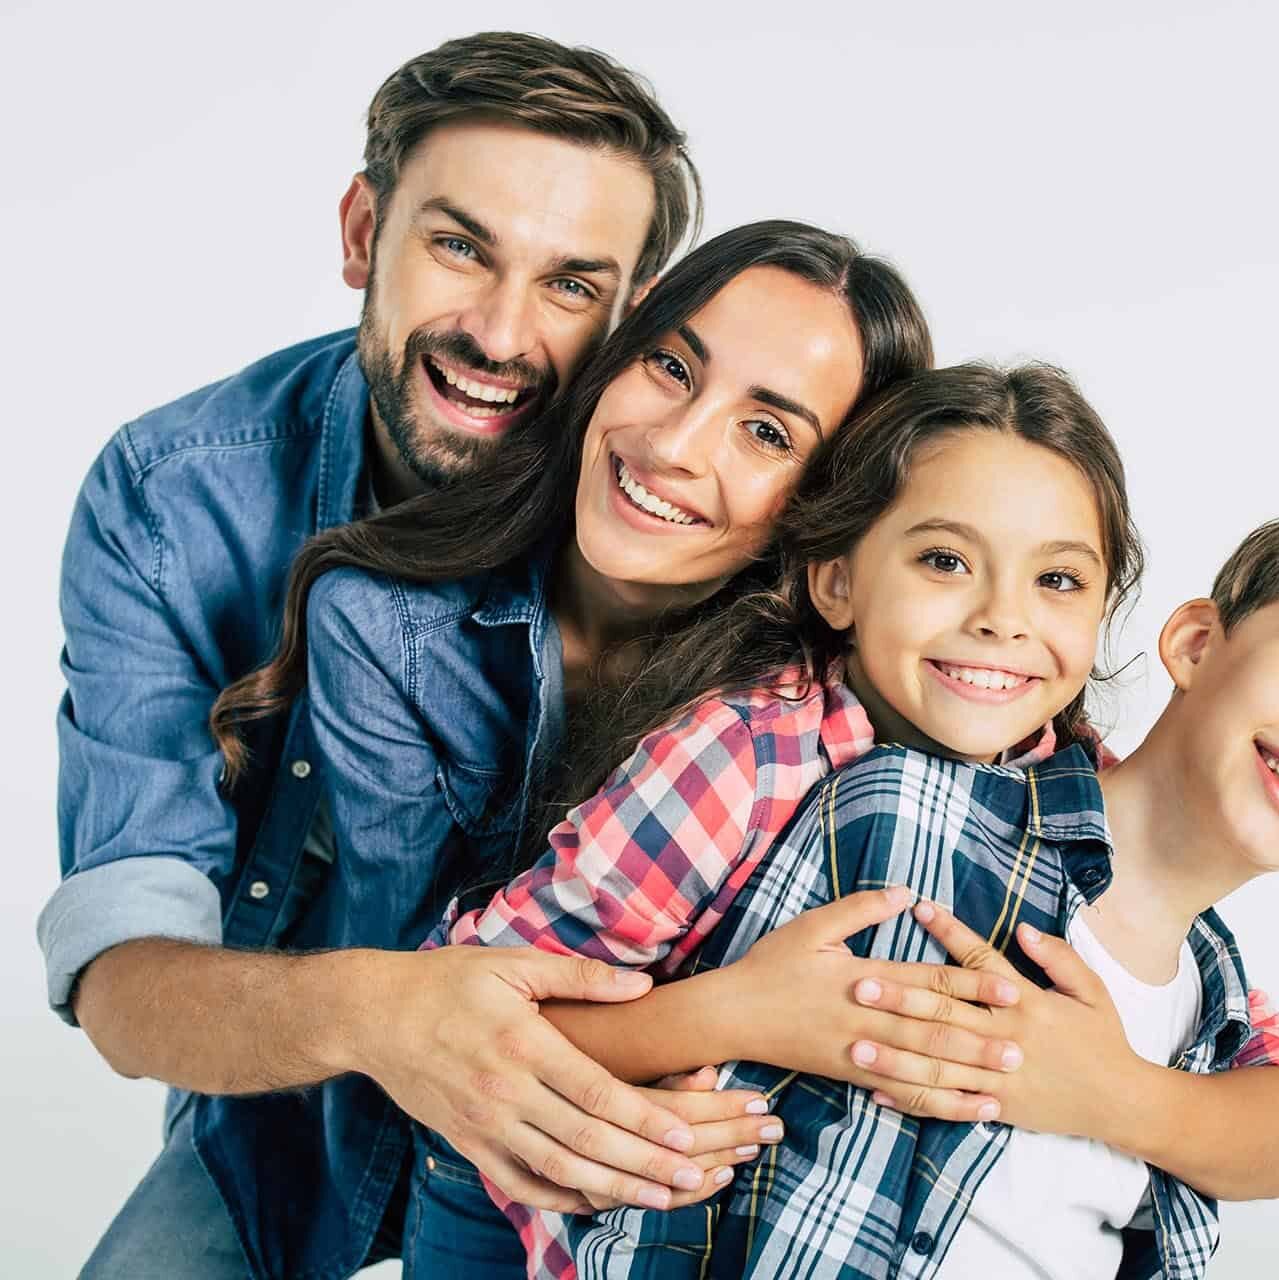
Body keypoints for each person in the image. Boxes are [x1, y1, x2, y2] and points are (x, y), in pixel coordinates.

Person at [211, 219, 1035, 1277]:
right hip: (381, 1124)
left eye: (768, 433)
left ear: (835, 510)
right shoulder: (386, 629)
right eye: (672, 365)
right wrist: (724, 1017)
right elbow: (439, 1014)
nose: (677, 444)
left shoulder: (829, 695)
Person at [433, 365, 1279, 1276]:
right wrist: (730, 1015)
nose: (1001, 620)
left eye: (1057, 579)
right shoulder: (749, 757)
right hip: (511, 1208)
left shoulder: (1077, 793)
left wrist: (1114, 1093)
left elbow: (1271, 1123)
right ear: (838, 583)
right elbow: (473, 1024)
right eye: (945, 561)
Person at [42, 31, 704, 1279]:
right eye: (460, 246)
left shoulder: (675, 514)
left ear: (628, 317)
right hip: (285, 1115)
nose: (502, 335)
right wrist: (391, 1016)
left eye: (571, 285)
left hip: (599, 1134)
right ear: (363, 232)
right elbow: (126, 978)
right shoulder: (172, 500)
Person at [507, 513, 1279, 1278]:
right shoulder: (906, 814)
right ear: (1197, 644)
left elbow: (1275, 1146)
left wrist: (1111, 1091)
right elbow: (637, 1115)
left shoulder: (1217, 1020)